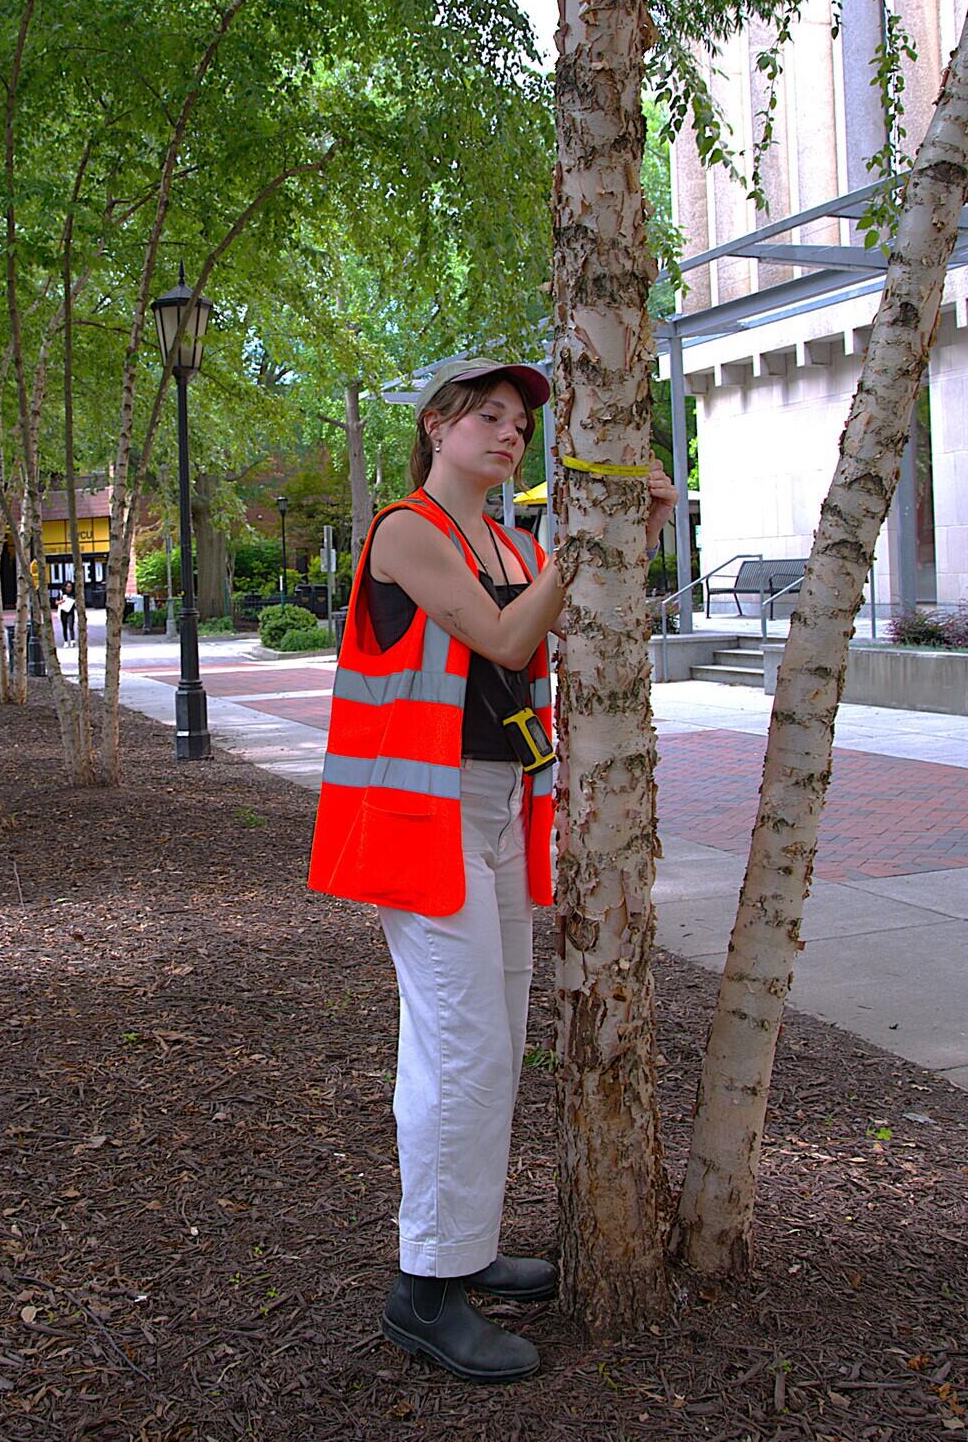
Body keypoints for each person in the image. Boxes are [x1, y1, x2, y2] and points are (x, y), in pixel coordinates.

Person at [306, 356, 676, 1384]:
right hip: (423, 819)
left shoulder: (508, 539)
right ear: (435, 425)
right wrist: (581, 542)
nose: (509, 433)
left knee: (495, 1034)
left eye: (519, 422)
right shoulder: (407, 530)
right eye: (488, 416)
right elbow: (509, 631)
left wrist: (627, 540)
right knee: (458, 1041)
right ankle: (423, 1288)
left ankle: (462, 1249)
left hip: (495, 809)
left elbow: (561, 623)